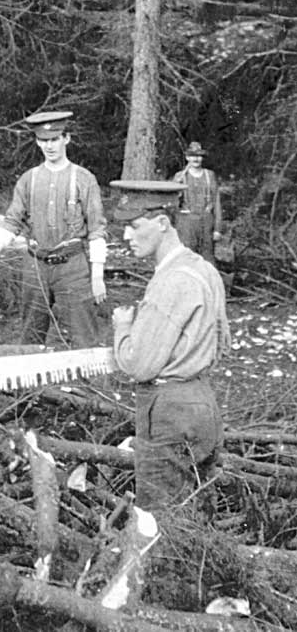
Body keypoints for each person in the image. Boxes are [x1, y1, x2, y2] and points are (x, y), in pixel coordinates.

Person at [109, 179, 229, 511]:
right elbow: (221, 343)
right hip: (202, 403)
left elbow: (138, 365)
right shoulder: (202, 268)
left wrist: (123, 328)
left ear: (163, 223)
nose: (126, 236)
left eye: (134, 226)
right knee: (197, 521)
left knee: (161, 525)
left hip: (170, 412)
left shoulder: (170, 281)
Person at [0, 111, 107, 348]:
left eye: (54, 139)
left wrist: (97, 277)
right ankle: (30, 385)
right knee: (29, 336)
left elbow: (96, 230)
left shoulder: (84, 179)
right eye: (44, 141)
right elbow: (11, 222)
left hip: (73, 268)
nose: (49, 146)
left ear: (66, 139)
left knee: (85, 338)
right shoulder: (28, 179)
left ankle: (92, 384)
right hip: (35, 266)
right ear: (37, 142)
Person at [170, 141, 224, 264]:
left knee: (207, 259)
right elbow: (172, 204)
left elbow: (217, 202)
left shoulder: (209, 175)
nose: (196, 159)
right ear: (187, 157)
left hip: (206, 221)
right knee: (186, 258)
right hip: (186, 223)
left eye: (199, 156)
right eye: (192, 155)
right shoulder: (180, 176)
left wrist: (218, 229)